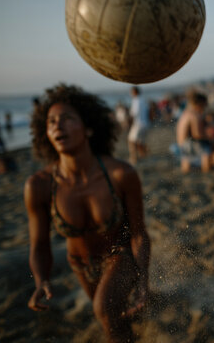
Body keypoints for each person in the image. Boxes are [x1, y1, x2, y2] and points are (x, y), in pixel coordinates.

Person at [25, 84, 151, 342]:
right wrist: (41, 281)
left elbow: (138, 233)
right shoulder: (39, 186)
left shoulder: (120, 174)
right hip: (80, 266)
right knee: (114, 317)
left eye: (67, 118)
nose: (57, 125)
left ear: (89, 128)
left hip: (121, 255)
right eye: (51, 122)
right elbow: (39, 245)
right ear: (45, 133)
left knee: (104, 309)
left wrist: (144, 278)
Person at [175, 89, 214, 173]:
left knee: (187, 156)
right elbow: (197, 134)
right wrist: (209, 137)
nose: (205, 108)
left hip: (181, 144)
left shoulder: (185, 113)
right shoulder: (194, 114)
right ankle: (206, 168)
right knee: (207, 147)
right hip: (188, 144)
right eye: (204, 105)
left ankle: (186, 168)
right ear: (199, 104)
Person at [128, 86, 150, 165]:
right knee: (140, 142)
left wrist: (129, 121)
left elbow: (134, 113)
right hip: (145, 123)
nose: (130, 94)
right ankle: (144, 156)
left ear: (134, 92)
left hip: (138, 123)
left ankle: (134, 158)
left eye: (131, 92)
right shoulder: (143, 99)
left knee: (131, 141)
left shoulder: (136, 100)